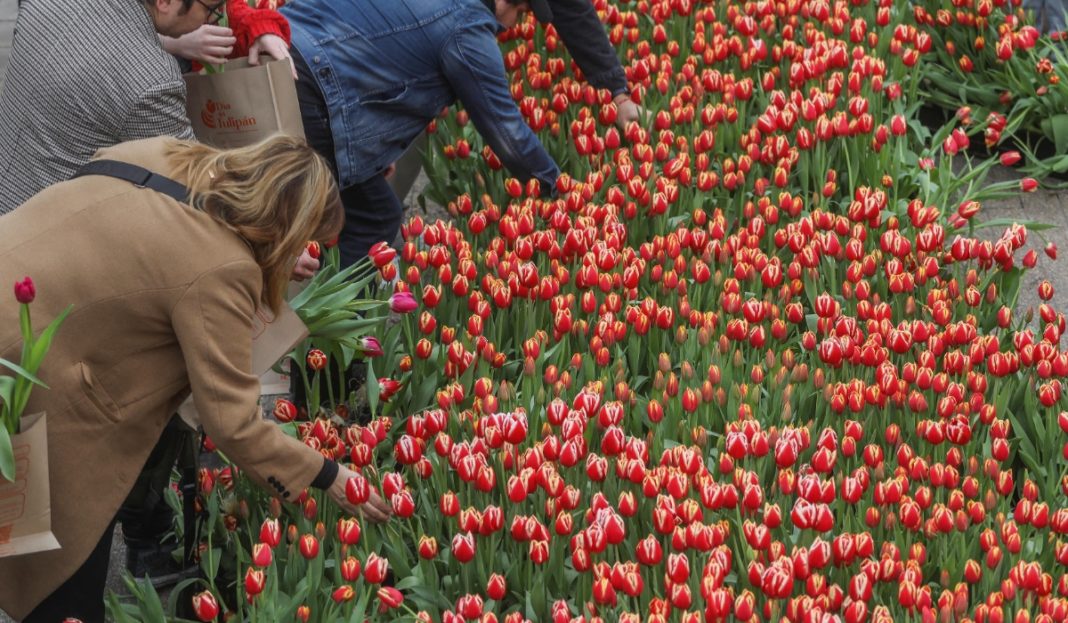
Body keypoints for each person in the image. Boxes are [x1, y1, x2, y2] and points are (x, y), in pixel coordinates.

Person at [0, 135, 392, 623]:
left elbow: (154, 256)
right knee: (66, 572)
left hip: (17, 289)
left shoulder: (164, 154)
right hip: (26, 371)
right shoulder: (222, 270)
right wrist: (329, 476)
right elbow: (232, 423)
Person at [280, 0, 563, 267]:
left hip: (281, 41)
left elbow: (380, 48)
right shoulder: (468, 28)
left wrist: (375, 150)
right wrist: (558, 190)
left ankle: (322, 300)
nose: (515, 24)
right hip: (314, 82)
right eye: (522, 13)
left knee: (361, 209)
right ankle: (335, 314)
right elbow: (506, 130)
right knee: (370, 217)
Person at [0, 0, 292, 215]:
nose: (212, 19)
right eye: (209, 9)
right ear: (165, 3)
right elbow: (195, 188)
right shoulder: (149, 80)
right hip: (42, 243)